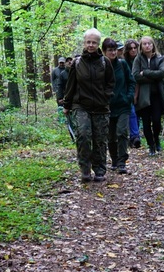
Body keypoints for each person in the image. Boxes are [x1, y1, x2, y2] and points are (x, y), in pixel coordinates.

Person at [62, 28, 114, 183]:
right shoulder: (77, 63)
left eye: (94, 42)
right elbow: (70, 86)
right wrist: (67, 105)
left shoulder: (105, 62)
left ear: (98, 44)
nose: (91, 45)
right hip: (81, 106)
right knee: (83, 136)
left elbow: (111, 83)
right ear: (84, 43)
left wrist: (106, 97)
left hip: (101, 107)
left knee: (100, 139)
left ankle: (99, 170)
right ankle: (85, 169)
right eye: (88, 42)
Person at [103, 38, 135, 174]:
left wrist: (128, 97)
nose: (113, 53)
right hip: (107, 107)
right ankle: (114, 160)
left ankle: (122, 162)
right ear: (104, 52)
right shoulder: (101, 67)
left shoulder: (122, 65)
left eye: (115, 50)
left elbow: (131, 82)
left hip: (123, 105)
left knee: (122, 132)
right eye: (110, 50)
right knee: (110, 136)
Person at [132, 35, 164, 156]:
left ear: (153, 45)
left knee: (157, 121)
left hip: (157, 95)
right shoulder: (138, 59)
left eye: (149, 43)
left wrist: (146, 73)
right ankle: (151, 146)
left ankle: (156, 139)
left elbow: (162, 73)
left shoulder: (159, 58)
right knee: (146, 122)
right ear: (141, 46)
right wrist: (153, 78)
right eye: (144, 44)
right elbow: (136, 75)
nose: (147, 46)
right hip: (143, 96)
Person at [123, 39, 142, 149]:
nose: (133, 50)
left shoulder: (141, 60)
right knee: (132, 112)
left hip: (142, 90)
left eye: (135, 48)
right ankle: (135, 136)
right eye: (131, 48)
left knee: (138, 113)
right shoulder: (124, 62)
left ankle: (134, 137)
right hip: (128, 91)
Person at [51, 57, 68, 122]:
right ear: (58, 63)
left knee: (67, 103)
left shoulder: (67, 70)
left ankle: (67, 118)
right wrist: (54, 89)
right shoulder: (55, 70)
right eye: (60, 63)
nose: (61, 64)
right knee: (60, 104)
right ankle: (61, 118)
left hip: (66, 89)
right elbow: (52, 80)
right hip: (58, 90)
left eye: (63, 63)